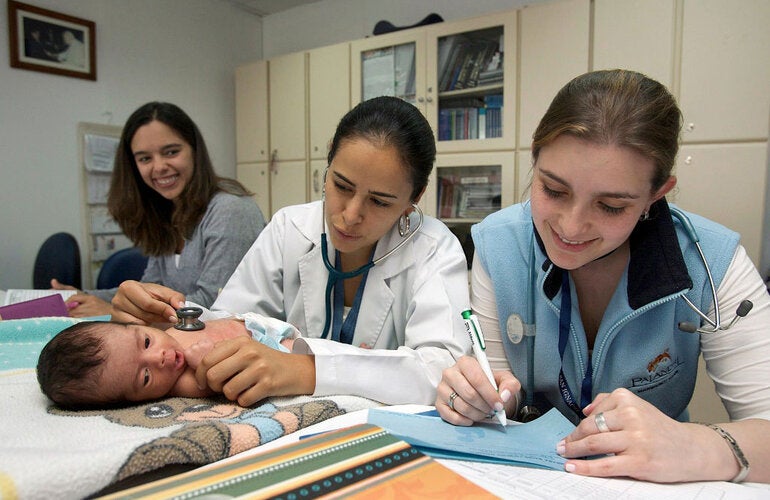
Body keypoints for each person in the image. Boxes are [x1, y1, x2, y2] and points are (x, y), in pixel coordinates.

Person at [435, 69, 770, 483]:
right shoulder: (498, 247)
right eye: (553, 190)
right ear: (535, 160)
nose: (571, 228)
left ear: (656, 194)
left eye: (611, 206)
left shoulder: (714, 264)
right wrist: (472, 397)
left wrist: (697, 444)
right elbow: (499, 394)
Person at [111, 96, 472, 407]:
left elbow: (445, 370)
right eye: (341, 185)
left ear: (416, 197)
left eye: (379, 201)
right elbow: (231, 322)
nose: (349, 216)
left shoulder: (434, 250)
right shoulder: (289, 228)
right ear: (327, 164)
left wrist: (307, 370)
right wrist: (167, 321)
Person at [54, 102, 266, 318]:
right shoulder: (168, 209)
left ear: (195, 150)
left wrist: (113, 310)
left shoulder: (231, 210)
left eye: (171, 152)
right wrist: (84, 296)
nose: (159, 167)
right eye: (145, 158)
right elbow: (150, 289)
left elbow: (215, 306)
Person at [37, 314, 298, 409]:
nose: (158, 358)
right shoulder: (181, 382)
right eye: (145, 377)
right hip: (277, 353)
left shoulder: (168, 333)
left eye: (147, 342)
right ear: (136, 400)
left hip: (261, 323)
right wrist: (204, 360)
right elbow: (217, 381)